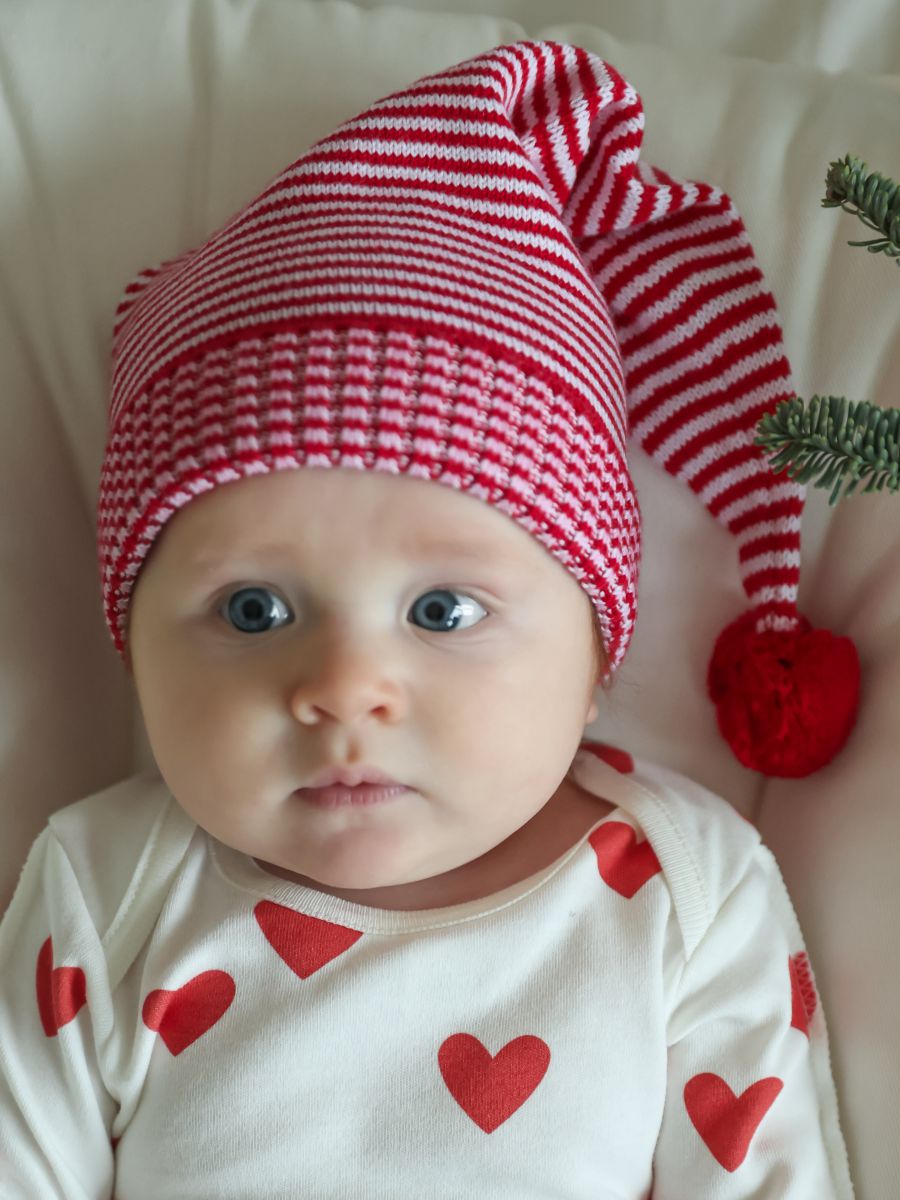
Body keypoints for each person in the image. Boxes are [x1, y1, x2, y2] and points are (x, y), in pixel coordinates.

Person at [0, 39, 859, 1198]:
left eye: (444, 610)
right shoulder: (107, 889)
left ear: (597, 656)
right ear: (133, 652)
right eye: (252, 608)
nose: (345, 686)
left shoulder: (685, 889)